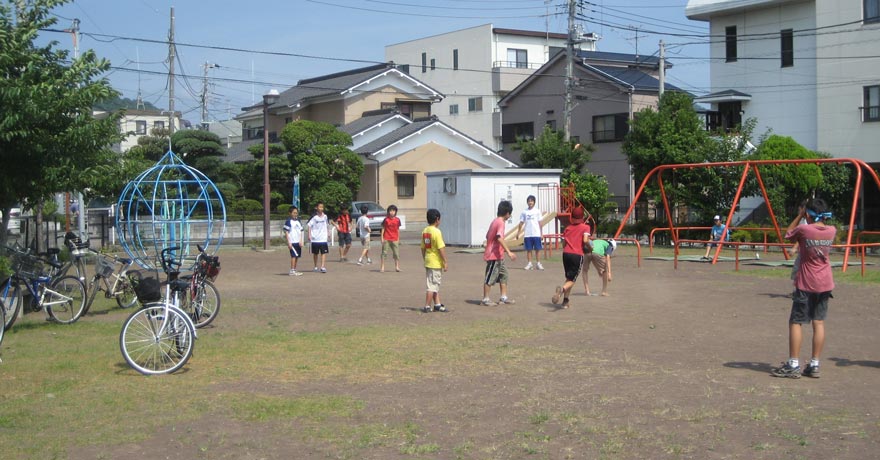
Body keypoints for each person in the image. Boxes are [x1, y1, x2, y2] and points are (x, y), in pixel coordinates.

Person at [772, 198, 836, 379]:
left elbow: (788, 232)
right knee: (819, 322)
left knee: (796, 322)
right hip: (825, 282)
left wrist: (800, 214)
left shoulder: (805, 229)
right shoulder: (832, 230)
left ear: (808, 214)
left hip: (806, 282)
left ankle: (793, 364)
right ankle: (814, 364)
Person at [551, 206, 591, 309]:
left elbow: (564, 243)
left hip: (566, 254)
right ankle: (561, 291)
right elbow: (586, 240)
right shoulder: (585, 227)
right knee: (572, 280)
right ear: (582, 217)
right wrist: (590, 248)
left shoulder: (568, 228)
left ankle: (565, 301)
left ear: (572, 217)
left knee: (569, 278)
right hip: (577, 254)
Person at [481, 200, 517, 306]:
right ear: (507, 213)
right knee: (490, 277)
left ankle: (503, 297)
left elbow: (487, 236)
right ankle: (485, 299)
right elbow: (499, 238)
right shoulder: (500, 222)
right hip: (493, 256)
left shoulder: (494, 221)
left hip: (499, 256)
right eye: (510, 214)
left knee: (504, 275)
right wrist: (509, 252)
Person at [420, 208, 448, 313]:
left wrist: (425, 258)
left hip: (428, 260)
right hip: (435, 262)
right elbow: (441, 248)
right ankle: (427, 305)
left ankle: (437, 304)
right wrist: (445, 261)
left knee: (434, 284)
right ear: (437, 219)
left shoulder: (425, 231)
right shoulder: (437, 232)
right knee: (432, 285)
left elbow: (423, 247)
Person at [514, 195, 544, 271]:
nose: (530, 202)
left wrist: (541, 233)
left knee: (537, 249)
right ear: (527, 202)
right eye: (529, 201)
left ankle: (538, 263)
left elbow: (540, 223)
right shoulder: (524, 212)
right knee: (529, 250)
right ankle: (530, 263)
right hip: (528, 233)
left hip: (536, 233)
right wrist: (518, 233)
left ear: (534, 202)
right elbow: (521, 223)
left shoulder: (537, 211)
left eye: (531, 201)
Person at [307, 202, 337, 273]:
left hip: (323, 238)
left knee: (323, 253)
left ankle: (322, 266)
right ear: (316, 208)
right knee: (315, 253)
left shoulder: (325, 216)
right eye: (320, 207)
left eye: (322, 207)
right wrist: (309, 235)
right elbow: (309, 225)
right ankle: (315, 266)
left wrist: (328, 233)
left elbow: (326, 225)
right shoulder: (314, 217)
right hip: (315, 239)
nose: (321, 208)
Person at [283, 206, 304, 276]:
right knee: (293, 256)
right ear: (290, 213)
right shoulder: (288, 221)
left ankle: (294, 269)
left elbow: (301, 231)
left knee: (297, 256)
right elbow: (286, 232)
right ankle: (292, 270)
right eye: (294, 213)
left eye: (296, 213)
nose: (295, 214)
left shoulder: (298, 221)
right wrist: (289, 242)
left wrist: (301, 241)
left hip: (298, 241)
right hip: (292, 241)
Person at [380, 204, 402, 273]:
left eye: (393, 211)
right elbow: (383, 229)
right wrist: (382, 238)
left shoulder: (397, 220)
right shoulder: (386, 220)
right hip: (386, 238)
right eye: (390, 211)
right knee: (384, 253)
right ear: (388, 211)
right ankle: (382, 267)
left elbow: (398, 229)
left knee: (396, 253)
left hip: (394, 238)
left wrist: (398, 238)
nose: (392, 212)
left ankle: (397, 267)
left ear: (395, 212)